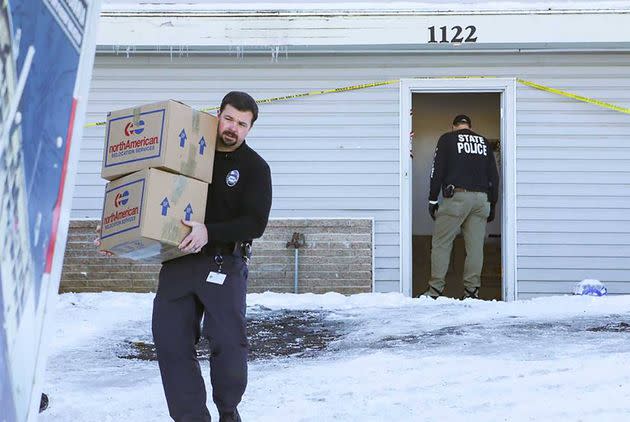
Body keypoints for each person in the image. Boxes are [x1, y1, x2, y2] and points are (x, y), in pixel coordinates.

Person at [96, 91, 272, 422]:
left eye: (242, 124)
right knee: (170, 342)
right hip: (178, 261)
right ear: (218, 114)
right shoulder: (185, 153)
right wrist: (113, 232)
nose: (233, 128)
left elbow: (255, 223)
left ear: (250, 129)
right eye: (229, 119)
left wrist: (210, 231)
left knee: (228, 344)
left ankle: (228, 411)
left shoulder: (255, 168)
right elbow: (144, 191)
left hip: (224, 263)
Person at [424, 114, 499, 300]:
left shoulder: (447, 139)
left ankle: (435, 291)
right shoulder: (482, 142)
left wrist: (433, 199)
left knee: (441, 244)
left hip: (457, 198)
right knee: (475, 248)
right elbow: (494, 176)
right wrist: (493, 204)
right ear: (470, 127)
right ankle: (472, 292)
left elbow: (437, 169)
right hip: (482, 200)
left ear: (453, 127)